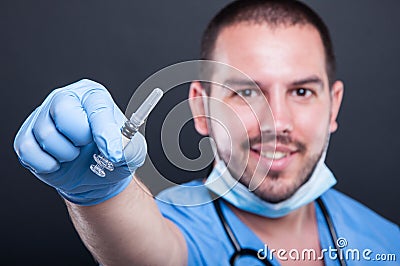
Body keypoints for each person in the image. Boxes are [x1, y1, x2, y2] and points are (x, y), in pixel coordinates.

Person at [14, 0, 399, 265]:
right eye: (246, 92)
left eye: (301, 92)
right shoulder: (172, 226)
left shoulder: (388, 244)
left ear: (333, 105)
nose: (276, 121)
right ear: (200, 107)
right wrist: (97, 193)